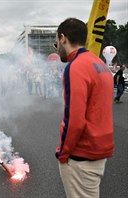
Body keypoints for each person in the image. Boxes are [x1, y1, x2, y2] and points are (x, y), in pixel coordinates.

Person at [54, 18, 114, 198]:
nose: (56, 47)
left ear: (63, 38)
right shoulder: (100, 64)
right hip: (100, 148)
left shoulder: (75, 67)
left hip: (81, 153)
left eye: (56, 42)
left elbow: (74, 119)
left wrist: (63, 153)